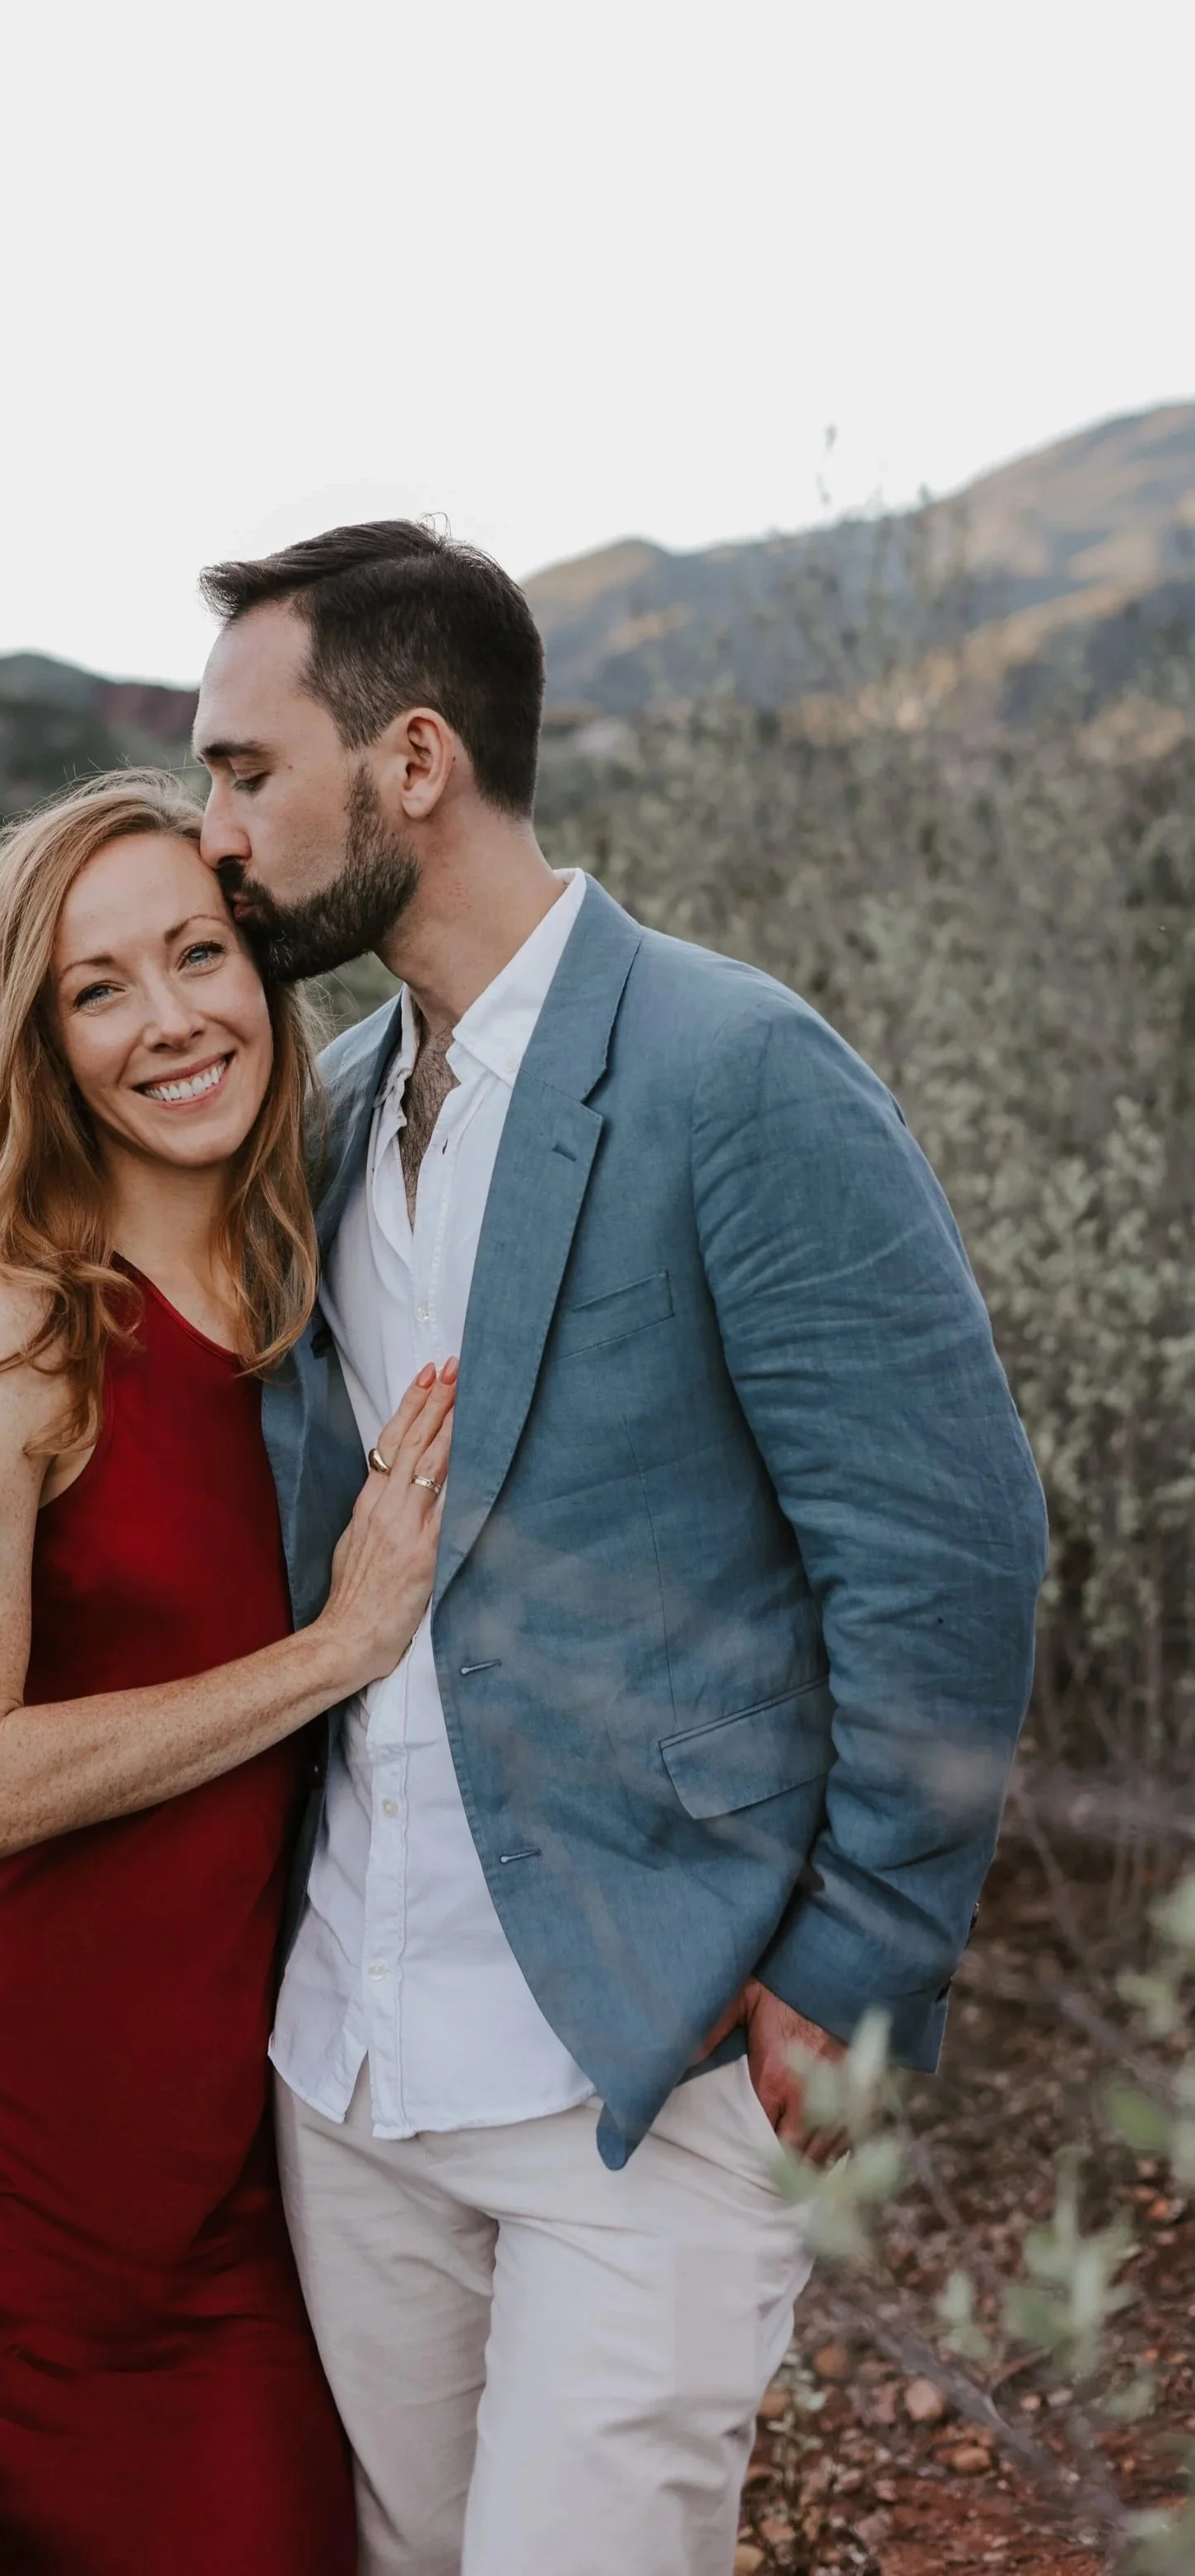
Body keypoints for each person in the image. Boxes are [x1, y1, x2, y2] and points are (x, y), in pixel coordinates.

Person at [190, 524, 1049, 2576]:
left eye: (241, 769)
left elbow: (948, 1545)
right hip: (349, 2065)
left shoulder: (731, 1068)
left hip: (638, 2068)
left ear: (411, 761)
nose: (210, 830)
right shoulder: (313, 1117)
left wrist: (845, 1973)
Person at [0, 772, 456, 2576]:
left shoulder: (320, 1252)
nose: (169, 1019)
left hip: (221, 2161)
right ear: (37, 1042)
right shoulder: (10, 1313)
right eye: (95, 988)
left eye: (197, 952)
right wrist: (333, 1651)